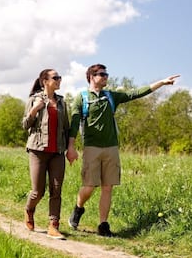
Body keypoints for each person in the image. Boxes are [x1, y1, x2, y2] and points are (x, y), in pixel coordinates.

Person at [66, 63, 180, 237]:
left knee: (107, 187)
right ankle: (78, 208)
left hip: (111, 148)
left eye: (106, 74)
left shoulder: (111, 96)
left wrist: (162, 83)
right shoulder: (81, 98)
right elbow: (74, 124)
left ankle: (103, 225)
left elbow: (136, 93)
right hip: (91, 148)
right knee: (89, 187)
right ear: (91, 77)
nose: (105, 77)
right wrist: (71, 147)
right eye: (101, 74)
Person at [22, 69, 71, 240]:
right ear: (45, 81)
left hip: (57, 152)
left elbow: (67, 128)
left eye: (60, 77)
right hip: (37, 151)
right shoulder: (33, 100)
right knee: (38, 192)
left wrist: (70, 148)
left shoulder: (62, 103)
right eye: (55, 78)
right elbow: (25, 125)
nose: (59, 80)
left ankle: (53, 225)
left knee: (56, 190)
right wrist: (35, 110)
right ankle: (29, 210)